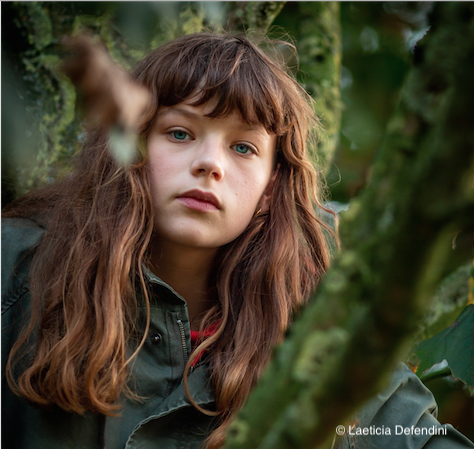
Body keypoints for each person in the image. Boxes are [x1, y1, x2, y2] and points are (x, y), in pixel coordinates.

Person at [2, 33, 472, 449]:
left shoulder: (321, 331)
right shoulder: (16, 269)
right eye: (180, 133)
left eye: (243, 147)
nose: (210, 163)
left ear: (271, 189)